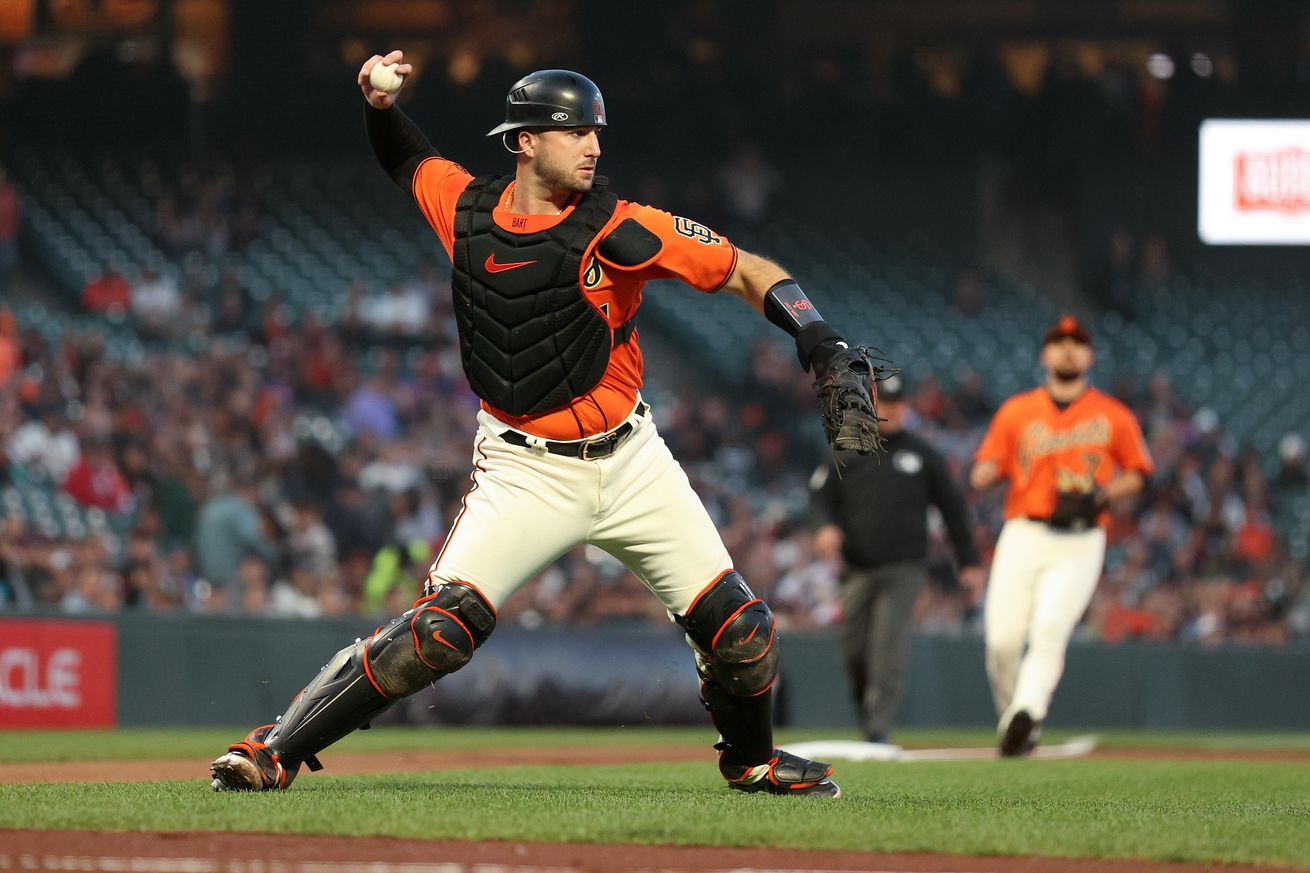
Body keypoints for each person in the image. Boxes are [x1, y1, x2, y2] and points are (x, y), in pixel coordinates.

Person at [207, 55, 882, 798]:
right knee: (440, 629)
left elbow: (748, 269)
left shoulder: (622, 229)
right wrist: (376, 105)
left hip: (632, 462)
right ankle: (274, 747)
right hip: (526, 468)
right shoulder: (465, 208)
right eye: (573, 131)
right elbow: (408, 157)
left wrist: (817, 337)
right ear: (524, 141)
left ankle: (752, 761)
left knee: (743, 632)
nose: (592, 145)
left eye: (596, 131)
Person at [969, 316, 1153, 756]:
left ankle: (1027, 712)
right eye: (1059, 342)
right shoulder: (1017, 411)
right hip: (1023, 531)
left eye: (1077, 343)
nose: (1068, 349)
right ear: (1045, 354)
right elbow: (982, 471)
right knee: (1002, 641)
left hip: (1082, 538)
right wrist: (985, 474)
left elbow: (1139, 473)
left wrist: (1106, 494)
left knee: (1051, 628)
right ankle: (1015, 720)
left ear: (1089, 356)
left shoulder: (1114, 414)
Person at [810, 373, 984, 743]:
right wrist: (824, 526)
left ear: (906, 407)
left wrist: (968, 561)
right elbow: (819, 498)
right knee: (855, 652)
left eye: (897, 405)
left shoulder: (923, 454)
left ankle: (878, 729)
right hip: (857, 567)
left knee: (888, 646)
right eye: (884, 405)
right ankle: (866, 710)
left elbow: (953, 509)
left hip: (904, 567)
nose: (891, 411)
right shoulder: (848, 449)